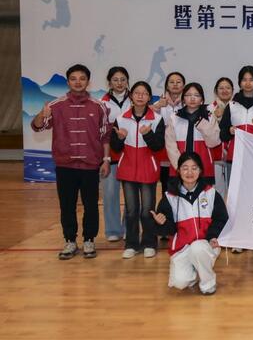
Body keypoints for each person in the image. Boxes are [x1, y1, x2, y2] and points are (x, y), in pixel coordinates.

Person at [31, 64, 111, 260]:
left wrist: (106, 160)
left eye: (82, 78)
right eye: (73, 79)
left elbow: (105, 136)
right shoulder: (56, 105)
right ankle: (70, 241)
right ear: (68, 82)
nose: (78, 82)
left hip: (90, 166)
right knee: (67, 205)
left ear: (88, 82)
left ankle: (89, 240)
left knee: (91, 205)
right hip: (65, 166)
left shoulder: (99, 106)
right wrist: (42, 114)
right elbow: (37, 127)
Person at [151, 152, 228, 295]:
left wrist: (212, 236)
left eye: (194, 168)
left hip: (206, 244)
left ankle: (208, 283)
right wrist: (161, 223)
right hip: (182, 248)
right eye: (185, 168)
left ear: (200, 170)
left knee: (198, 248)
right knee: (180, 282)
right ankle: (194, 271)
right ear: (178, 171)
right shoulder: (170, 197)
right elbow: (169, 229)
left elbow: (221, 219)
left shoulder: (211, 193)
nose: (190, 172)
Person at [110, 81, 165, 259]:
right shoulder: (121, 118)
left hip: (148, 169)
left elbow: (158, 146)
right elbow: (115, 147)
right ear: (131, 96)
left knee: (147, 210)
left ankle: (149, 243)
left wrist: (148, 134)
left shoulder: (157, 119)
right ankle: (131, 244)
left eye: (145, 93)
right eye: (137, 93)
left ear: (149, 97)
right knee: (131, 210)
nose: (140, 96)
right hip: (127, 170)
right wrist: (120, 139)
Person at [165, 83, 221, 185]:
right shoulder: (174, 117)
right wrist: (180, 166)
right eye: (188, 95)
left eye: (196, 95)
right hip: (178, 168)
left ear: (202, 99)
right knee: (179, 194)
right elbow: (170, 145)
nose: (192, 98)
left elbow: (214, 142)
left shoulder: (209, 117)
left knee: (204, 194)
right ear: (183, 98)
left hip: (204, 167)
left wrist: (203, 125)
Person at [100, 66, 131, 243]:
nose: (119, 83)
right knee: (110, 193)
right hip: (110, 155)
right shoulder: (101, 103)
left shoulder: (135, 100)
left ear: (127, 81)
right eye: (115, 80)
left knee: (131, 195)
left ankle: (128, 228)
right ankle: (112, 229)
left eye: (123, 79)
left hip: (131, 155)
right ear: (109, 82)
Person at [152, 71, 185, 198]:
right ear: (166, 85)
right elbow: (148, 118)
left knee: (184, 185)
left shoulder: (188, 102)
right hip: (164, 151)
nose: (175, 84)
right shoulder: (159, 103)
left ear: (183, 85)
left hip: (183, 149)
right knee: (166, 187)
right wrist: (158, 107)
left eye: (178, 82)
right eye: (172, 82)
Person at [209, 77, 234, 199]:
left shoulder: (237, 108)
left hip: (233, 156)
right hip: (215, 156)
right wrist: (216, 119)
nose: (225, 91)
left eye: (228, 88)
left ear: (232, 90)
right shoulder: (209, 109)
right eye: (221, 88)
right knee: (216, 192)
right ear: (216, 91)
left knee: (233, 191)